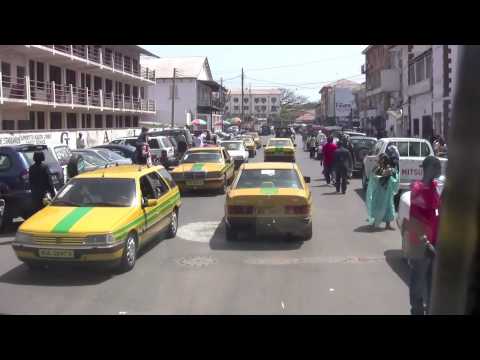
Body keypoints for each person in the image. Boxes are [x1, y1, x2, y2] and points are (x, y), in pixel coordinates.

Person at [407, 156, 442, 315]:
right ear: (430, 169)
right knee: (418, 281)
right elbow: (415, 220)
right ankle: (417, 310)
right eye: (438, 168)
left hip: (433, 244)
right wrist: (426, 242)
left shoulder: (434, 187)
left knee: (431, 281)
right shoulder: (417, 189)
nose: (440, 171)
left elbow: (437, 213)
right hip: (421, 245)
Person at [365, 153, 399, 229]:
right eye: (380, 159)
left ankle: (388, 224)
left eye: (383, 159)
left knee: (388, 206)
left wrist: (391, 173)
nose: (381, 161)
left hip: (387, 191)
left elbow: (394, 179)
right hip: (379, 191)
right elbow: (373, 177)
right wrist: (383, 175)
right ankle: (375, 223)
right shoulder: (377, 168)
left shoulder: (389, 168)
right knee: (378, 206)